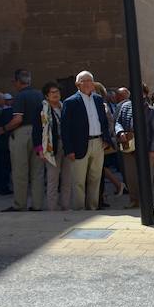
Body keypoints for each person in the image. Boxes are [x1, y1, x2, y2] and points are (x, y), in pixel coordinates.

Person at [61, 71, 113, 210]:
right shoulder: (70, 102)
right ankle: (79, 209)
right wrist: (69, 149)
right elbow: (65, 129)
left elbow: (103, 121)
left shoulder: (97, 99)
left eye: (91, 80)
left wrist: (106, 139)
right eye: (85, 80)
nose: (89, 83)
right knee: (78, 181)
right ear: (78, 84)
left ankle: (93, 208)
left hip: (98, 143)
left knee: (95, 178)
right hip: (79, 145)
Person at [2, 68, 45, 211]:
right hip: (39, 133)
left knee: (20, 171)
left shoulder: (20, 96)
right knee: (37, 172)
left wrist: (4, 128)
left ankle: (19, 204)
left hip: (22, 133)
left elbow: (17, 119)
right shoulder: (40, 95)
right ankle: (37, 205)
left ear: (17, 81)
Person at [115, 84, 154, 209]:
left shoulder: (151, 110)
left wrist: (152, 150)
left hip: (146, 147)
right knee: (130, 175)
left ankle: (146, 201)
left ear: (145, 93)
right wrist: (120, 132)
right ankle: (134, 200)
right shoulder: (125, 106)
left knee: (147, 176)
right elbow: (118, 122)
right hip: (128, 146)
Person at [34, 82, 71, 211]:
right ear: (46, 95)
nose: (55, 95)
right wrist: (40, 150)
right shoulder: (42, 110)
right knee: (52, 179)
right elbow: (37, 130)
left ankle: (65, 205)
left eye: (57, 92)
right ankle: (52, 208)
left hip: (66, 146)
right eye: (52, 92)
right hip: (50, 147)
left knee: (67, 178)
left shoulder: (65, 107)